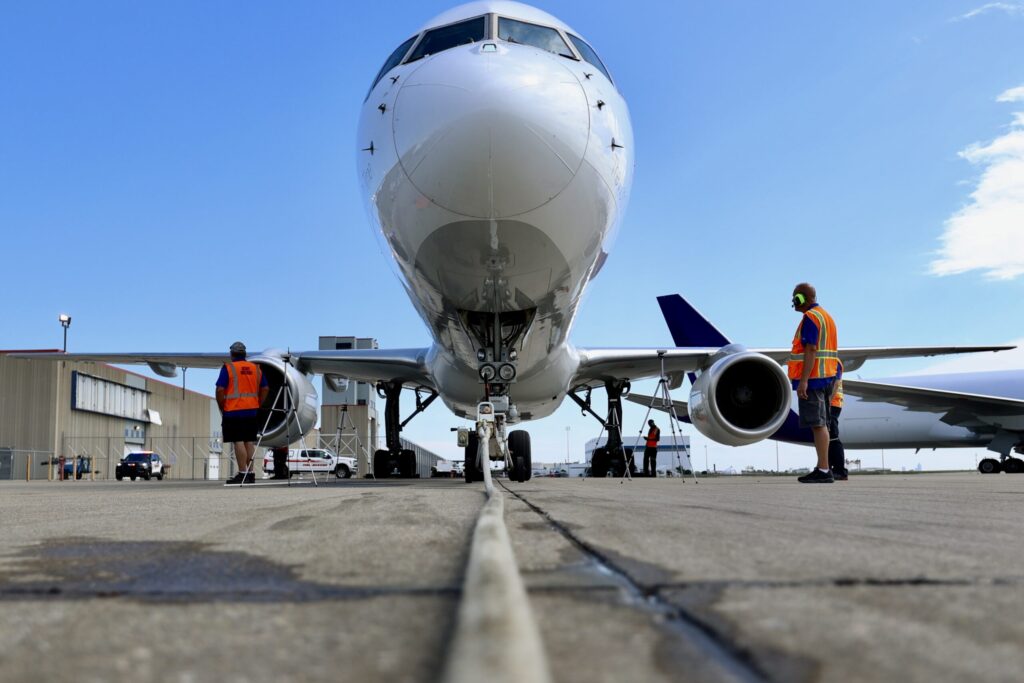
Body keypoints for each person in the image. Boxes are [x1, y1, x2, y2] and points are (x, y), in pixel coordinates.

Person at [788, 283, 840, 484]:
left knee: (818, 425)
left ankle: (823, 469)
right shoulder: (827, 317)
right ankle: (824, 467)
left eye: (795, 299)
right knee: (822, 424)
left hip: (814, 380)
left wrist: (803, 381)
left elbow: (811, 350)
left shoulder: (810, 317)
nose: (793, 303)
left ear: (803, 298)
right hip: (827, 377)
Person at [216, 341, 269, 484]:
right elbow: (265, 388)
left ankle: (242, 472)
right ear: (245, 354)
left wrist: (222, 406)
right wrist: (258, 403)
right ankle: (251, 473)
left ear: (232, 354)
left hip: (233, 410)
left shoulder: (228, 368)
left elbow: (220, 389)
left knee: (238, 441)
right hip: (251, 411)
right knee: (248, 441)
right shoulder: (256, 368)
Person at [828, 362, 848, 481]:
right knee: (829, 437)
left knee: (833, 437)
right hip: (832, 402)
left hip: (832, 403)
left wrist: (828, 401)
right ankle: (829, 468)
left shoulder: (834, 361)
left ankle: (840, 471)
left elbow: (835, 383)